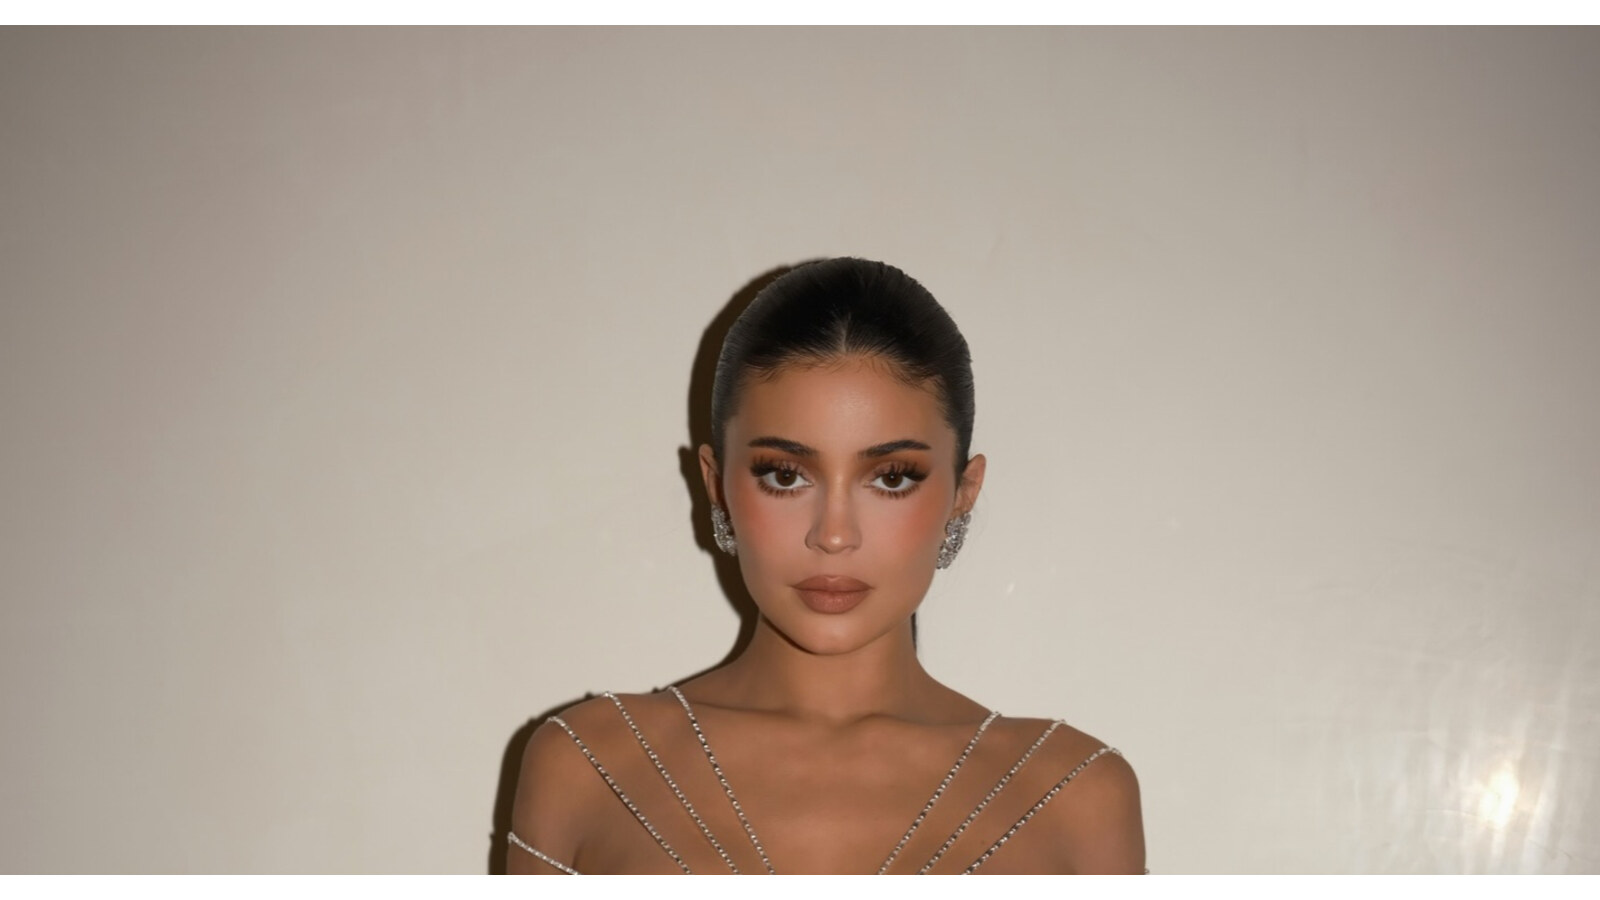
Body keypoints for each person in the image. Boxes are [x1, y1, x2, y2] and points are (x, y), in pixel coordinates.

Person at [507, 258, 1145, 874]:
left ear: (962, 492)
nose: (834, 535)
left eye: (891, 478)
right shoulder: (588, 768)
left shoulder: (1077, 798)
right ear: (716, 484)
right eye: (786, 475)